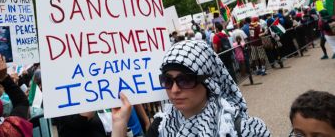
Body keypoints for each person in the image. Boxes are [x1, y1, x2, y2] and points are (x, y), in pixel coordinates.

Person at [113, 40, 271, 136]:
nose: (174, 90)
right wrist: (119, 125)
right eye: (167, 80)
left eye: (185, 80)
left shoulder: (240, 129)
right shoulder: (161, 126)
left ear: (208, 83)